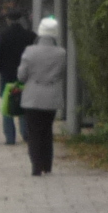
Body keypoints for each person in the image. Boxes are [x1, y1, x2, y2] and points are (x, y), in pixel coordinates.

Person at [15, 16, 68, 177]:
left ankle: (36, 166)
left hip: (32, 97)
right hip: (51, 96)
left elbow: (21, 76)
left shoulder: (29, 51)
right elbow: (62, 73)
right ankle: (47, 164)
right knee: (47, 130)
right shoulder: (61, 53)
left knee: (34, 132)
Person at [0, 13, 35, 146]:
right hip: (26, 77)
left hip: (7, 76)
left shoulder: (3, 36)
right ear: (22, 20)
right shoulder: (30, 36)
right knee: (24, 104)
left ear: (9, 20)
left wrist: (0, 70)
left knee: (7, 106)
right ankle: (26, 134)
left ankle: (10, 137)